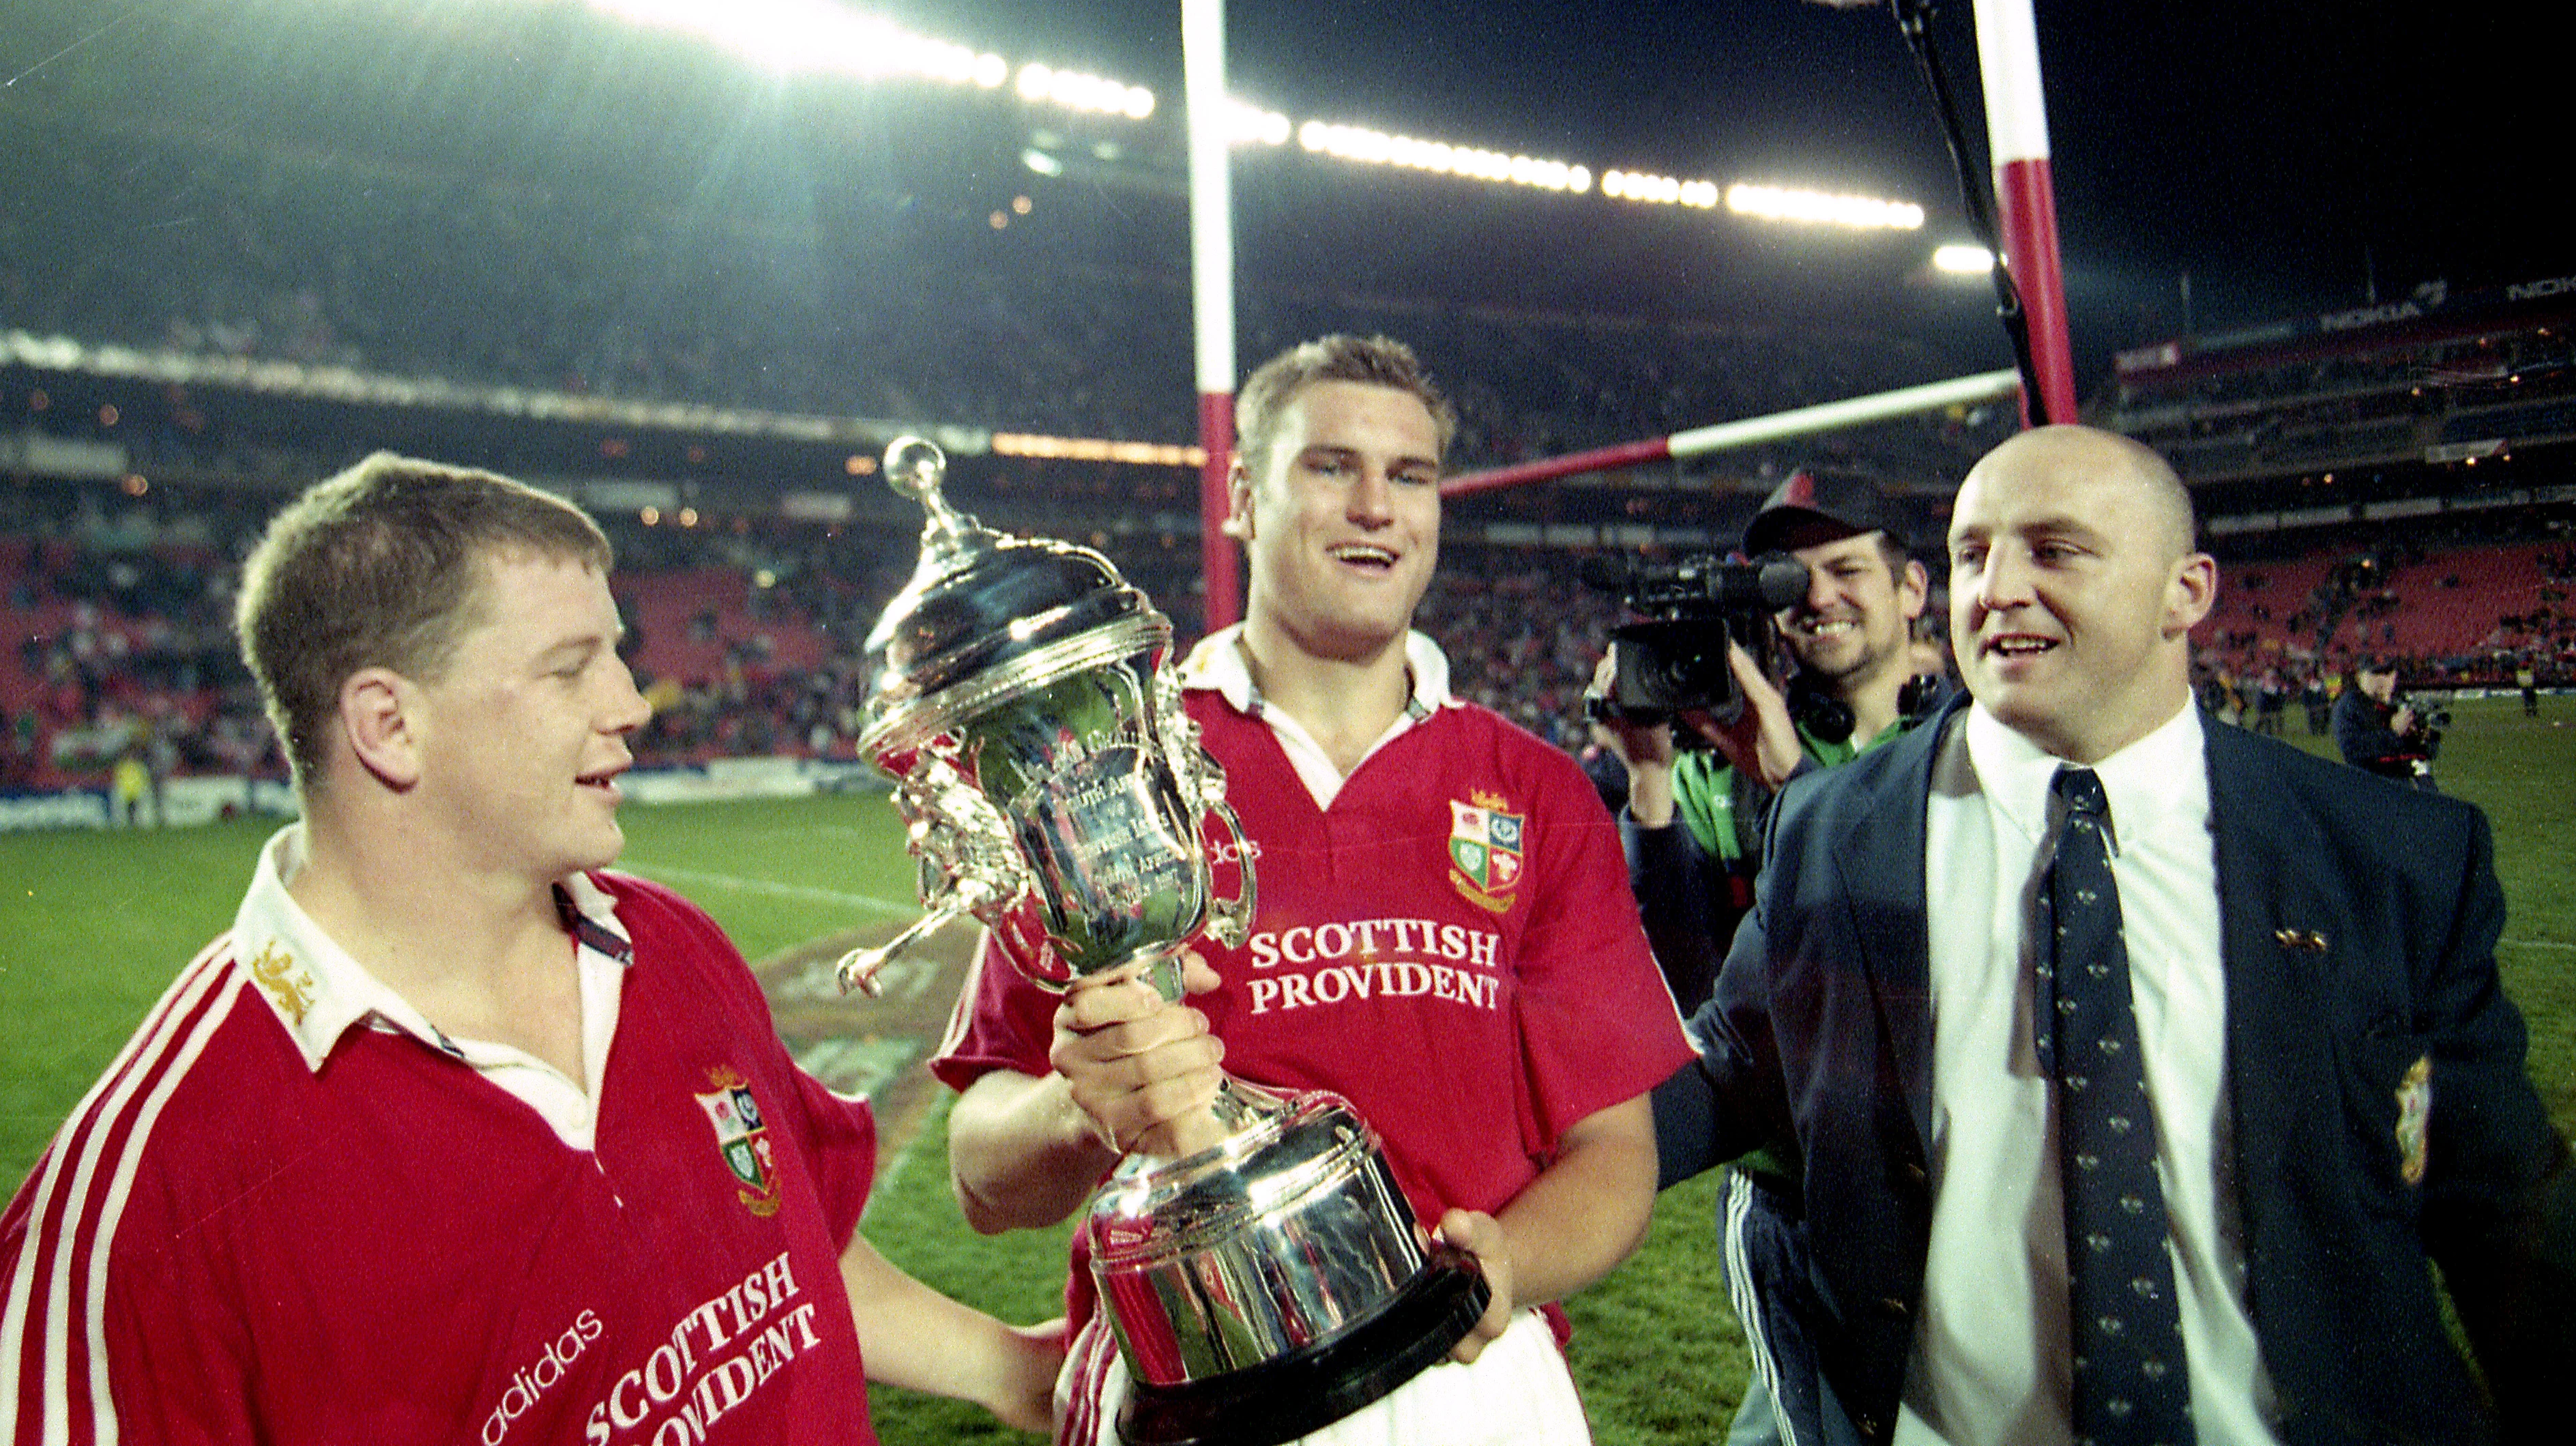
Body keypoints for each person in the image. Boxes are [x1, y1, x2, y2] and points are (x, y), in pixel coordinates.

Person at [1, 453, 1061, 1445]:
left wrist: (1010, 1369)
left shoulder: (666, 941)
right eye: (571, 670)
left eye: (620, 655)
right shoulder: (150, 1203)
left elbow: (789, 1251)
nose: (633, 706)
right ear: (389, 725)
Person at [1656, 424, 2573, 1445]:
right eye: (1973, 554)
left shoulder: (2391, 855)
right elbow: (1727, 1066)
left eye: (2053, 551)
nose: (1996, 589)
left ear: (2186, 590)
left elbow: (2505, 1216)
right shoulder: (1837, 830)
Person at [933, 334, 1691, 1445]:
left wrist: (1509, 1265)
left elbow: (1615, 1151)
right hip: (1188, 1384)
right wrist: (1077, 1106)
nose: (1377, 505)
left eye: (1411, 475)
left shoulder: (1536, 789)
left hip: (1470, 1372)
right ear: (1242, 495)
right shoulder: (1098, 771)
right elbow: (981, 1173)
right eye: (1331, 466)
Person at [1590, 471, 1935, 1446]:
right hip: (1798, 1184)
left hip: (1951, 1163)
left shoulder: (1969, 747)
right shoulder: (1715, 769)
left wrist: (1792, 782)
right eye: (1791, 580)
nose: (1817, 598)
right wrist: (1652, 788)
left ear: (1912, 590)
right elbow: (1696, 993)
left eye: (1846, 568)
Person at [2330, 657, 2435, 787]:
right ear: (2360, 676)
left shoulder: (2396, 702)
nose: (2383, 680)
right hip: (2375, 785)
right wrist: (2394, 732)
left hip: (2407, 781)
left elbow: (2425, 752)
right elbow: (2354, 750)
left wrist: (2420, 736)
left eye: (2387, 674)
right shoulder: (2350, 705)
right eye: (2376, 674)